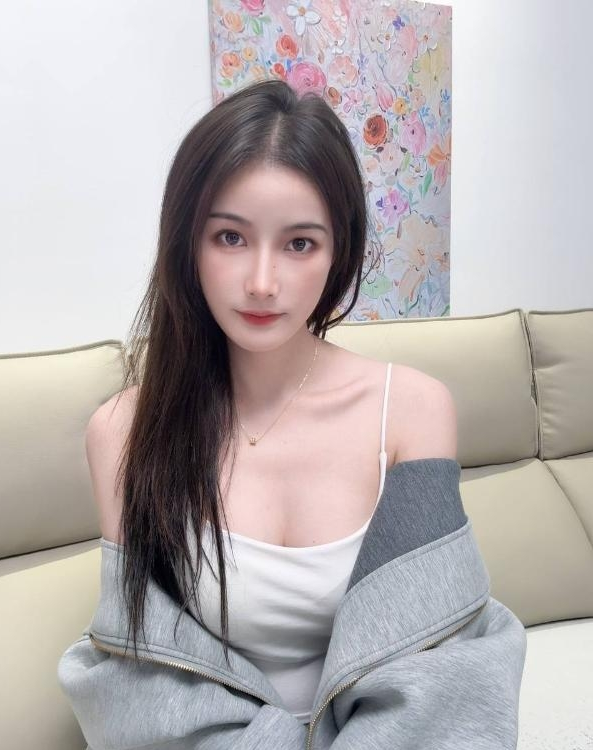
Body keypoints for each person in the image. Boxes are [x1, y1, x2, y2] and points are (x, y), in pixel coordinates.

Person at [58, 78, 526, 748]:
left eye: (299, 244)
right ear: (187, 244)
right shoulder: (124, 432)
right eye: (230, 237)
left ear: (339, 251)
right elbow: (140, 684)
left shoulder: (411, 412)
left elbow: (438, 660)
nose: (262, 282)